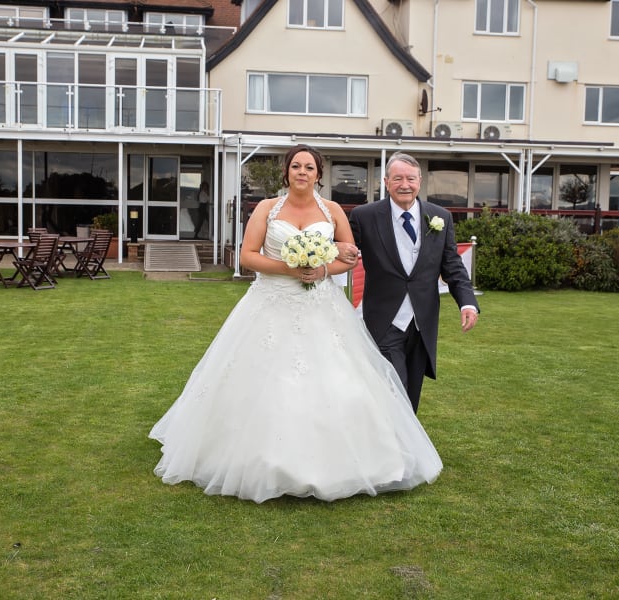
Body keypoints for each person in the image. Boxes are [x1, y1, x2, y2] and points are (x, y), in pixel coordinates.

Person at [149, 145, 443, 503]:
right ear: (286, 173)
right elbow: (248, 256)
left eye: (309, 167)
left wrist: (321, 268)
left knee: (340, 379)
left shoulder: (333, 210)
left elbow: (348, 256)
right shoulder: (266, 209)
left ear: (318, 174)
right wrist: (289, 268)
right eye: (295, 166)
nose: (302, 172)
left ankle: (351, 459)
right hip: (270, 303)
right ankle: (255, 458)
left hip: (321, 305)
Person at [348, 152, 479, 413]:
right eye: (397, 178)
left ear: (420, 180)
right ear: (386, 182)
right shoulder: (364, 216)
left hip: (422, 324)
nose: (404, 184)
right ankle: (394, 450)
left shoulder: (440, 216)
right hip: (384, 321)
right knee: (394, 391)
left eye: (410, 178)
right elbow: (343, 253)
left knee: (411, 394)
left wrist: (467, 303)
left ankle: (404, 449)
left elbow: (452, 266)